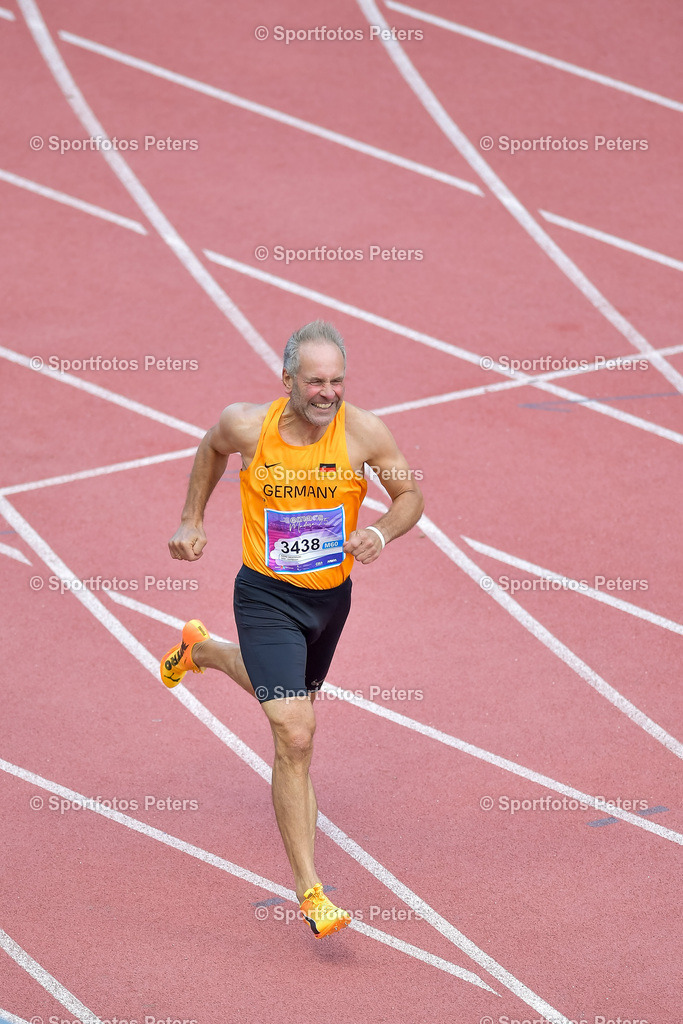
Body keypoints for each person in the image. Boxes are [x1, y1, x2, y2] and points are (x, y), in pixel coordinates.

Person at [160, 320, 424, 939]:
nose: (328, 392)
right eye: (315, 381)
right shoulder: (246, 426)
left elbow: (410, 497)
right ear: (287, 379)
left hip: (330, 601)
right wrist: (191, 518)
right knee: (296, 731)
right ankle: (312, 891)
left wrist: (380, 532)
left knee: (291, 701)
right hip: (266, 596)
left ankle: (204, 652)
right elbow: (210, 449)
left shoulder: (364, 433)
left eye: (337, 381)